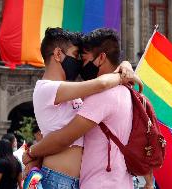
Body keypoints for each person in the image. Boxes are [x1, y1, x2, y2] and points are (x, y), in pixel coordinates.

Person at [23, 28, 149, 189]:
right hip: (57, 178)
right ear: (57, 54)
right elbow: (101, 84)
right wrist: (123, 74)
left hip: (73, 180)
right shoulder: (46, 88)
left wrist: (124, 65)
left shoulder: (70, 92)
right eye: (76, 55)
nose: (79, 63)